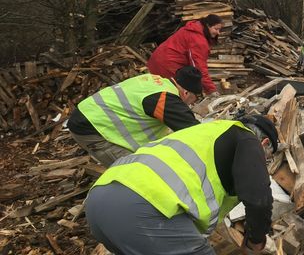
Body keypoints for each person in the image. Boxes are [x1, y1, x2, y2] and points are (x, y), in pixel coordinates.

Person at [85, 114, 278, 255]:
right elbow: (258, 199)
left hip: (99, 200)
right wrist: (255, 242)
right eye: (266, 158)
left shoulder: (204, 131)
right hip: (144, 210)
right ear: (265, 143)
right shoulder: (247, 138)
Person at [67, 66, 203, 166]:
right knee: (139, 171)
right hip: (91, 128)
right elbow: (193, 131)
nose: (190, 105)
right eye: (194, 100)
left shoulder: (154, 80)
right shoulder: (166, 99)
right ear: (186, 93)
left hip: (88, 113)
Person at [147, 14, 223, 96]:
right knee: (172, 94)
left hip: (157, 60)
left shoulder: (192, 28)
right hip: (167, 65)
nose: (218, 33)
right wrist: (211, 90)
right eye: (216, 29)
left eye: (219, 30)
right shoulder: (198, 41)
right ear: (208, 25)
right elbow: (198, 68)